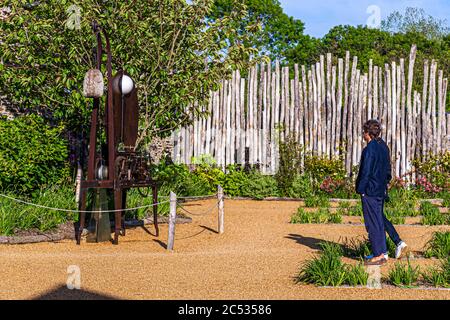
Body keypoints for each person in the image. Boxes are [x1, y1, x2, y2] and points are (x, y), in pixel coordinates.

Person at [355, 120, 408, 266]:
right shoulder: (384, 146)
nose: (363, 136)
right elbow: (387, 170)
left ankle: (379, 255)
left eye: (364, 132)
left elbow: (366, 172)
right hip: (380, 189)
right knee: (378, 219)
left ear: (367, 133)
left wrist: (361, 189)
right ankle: (382, 251)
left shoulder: (369, 149)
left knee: (373, 222)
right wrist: (385, 183)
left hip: (370, 190)